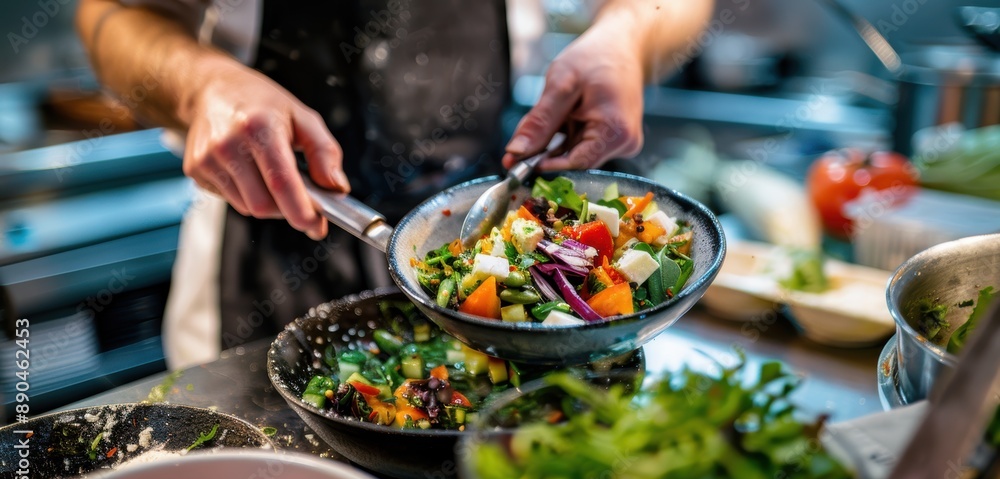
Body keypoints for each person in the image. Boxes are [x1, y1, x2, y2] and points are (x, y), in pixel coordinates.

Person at [75, 0, 714, 368]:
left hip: (481, 221)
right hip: (265, 242)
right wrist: (198, 83)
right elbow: (111, 16)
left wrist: (627, 33)